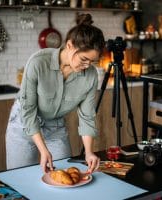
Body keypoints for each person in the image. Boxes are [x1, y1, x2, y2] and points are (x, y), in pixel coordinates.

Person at [6, 13, 105, 174]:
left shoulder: (90, 75)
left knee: (64, 175)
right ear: (70, 45)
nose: (87, 66)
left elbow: (87, 116)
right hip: (23, 123)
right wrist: (43, 150)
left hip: (55, 126)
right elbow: (28, 111)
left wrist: (88, 152)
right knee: (19, 178)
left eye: (92, 62)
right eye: (84, 59)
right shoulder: (38, 62)